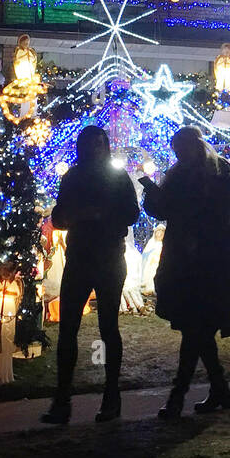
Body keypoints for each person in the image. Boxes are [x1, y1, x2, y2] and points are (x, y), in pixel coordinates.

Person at [42, 126, 140, 424]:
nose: (96, 149)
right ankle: (62, 400)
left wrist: (97, 215)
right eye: (91, 144)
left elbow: (132, 213)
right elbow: (59, 216)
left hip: (109, 257)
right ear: (83, 147)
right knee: (68, 329)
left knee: (108, 326)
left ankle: (111, 397)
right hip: (80, 257)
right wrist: (72, 215)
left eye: (101, 144)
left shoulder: (117, 176)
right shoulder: (72, 176)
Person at [143, 127, 230, 417]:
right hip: (194, 259)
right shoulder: (191, 173)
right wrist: (154, 195)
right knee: (198, 330)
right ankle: (219, 390)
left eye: (180, 148)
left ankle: (178, 396)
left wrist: (162, 200)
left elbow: (196, 211)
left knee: (195, 329)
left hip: (202, 259)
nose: (178, 154)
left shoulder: (212, 172)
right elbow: (164, 210)